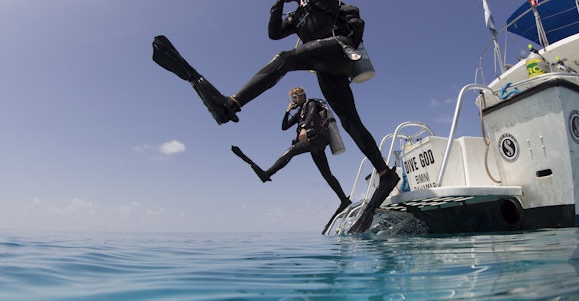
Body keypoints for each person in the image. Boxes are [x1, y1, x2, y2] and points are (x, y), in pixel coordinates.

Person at [152, 0, 398, 233]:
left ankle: (232, 103)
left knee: (285, 59)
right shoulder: (296, 16)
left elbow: (352, 24)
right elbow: (274, 32)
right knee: (350, 122)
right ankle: (385, 174)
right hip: (326, 71)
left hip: (338, 48)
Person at [231, 87, 352, 234]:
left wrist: (303, 128)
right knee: (326, 174)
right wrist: (287, 111)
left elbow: (311, 115)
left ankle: (268, 173)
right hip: (314, 144)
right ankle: (344, 200)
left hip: (318, 138)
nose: (294, 100)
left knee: (292, 150)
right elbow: (284, 127)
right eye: (292, 98)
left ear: (303, 96)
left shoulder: (311, 103)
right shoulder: (299, 113)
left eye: (296, 96)